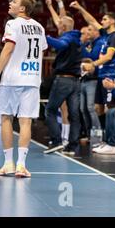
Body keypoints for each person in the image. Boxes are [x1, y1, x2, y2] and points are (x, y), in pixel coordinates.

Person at [0, 0, 47, 177]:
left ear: (23, 9)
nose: (10, 3)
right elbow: (41, 49)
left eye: (15, 2)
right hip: (32, 78)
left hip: (12, 79)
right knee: (26, 121)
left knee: (6, 119)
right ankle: (21, 165)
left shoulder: (13, 24)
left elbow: (8, 49)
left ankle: (8, 163)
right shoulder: (39, 27)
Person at [69, 1, 115, 132]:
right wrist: (81, 8)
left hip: (111, 76)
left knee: (110, 108)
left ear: (112, 21)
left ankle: (112, 141)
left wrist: (92, 64)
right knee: (98, 108)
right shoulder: (106, 35)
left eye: (105, 19)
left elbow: (109, 56)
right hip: (101, 76)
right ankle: (102, 136)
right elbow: (92, 21)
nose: (102, 21)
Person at [43, 16, 82, 155]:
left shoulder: (68, 38)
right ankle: (72, 146)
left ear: (63, 27)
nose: (58, 27)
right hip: (76, 82)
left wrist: (45, 36)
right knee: (74, 115)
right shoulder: (77, 38)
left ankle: (56, 141)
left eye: (59, 25)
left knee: (50, 110)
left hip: (63, 80)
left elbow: (61, 45)